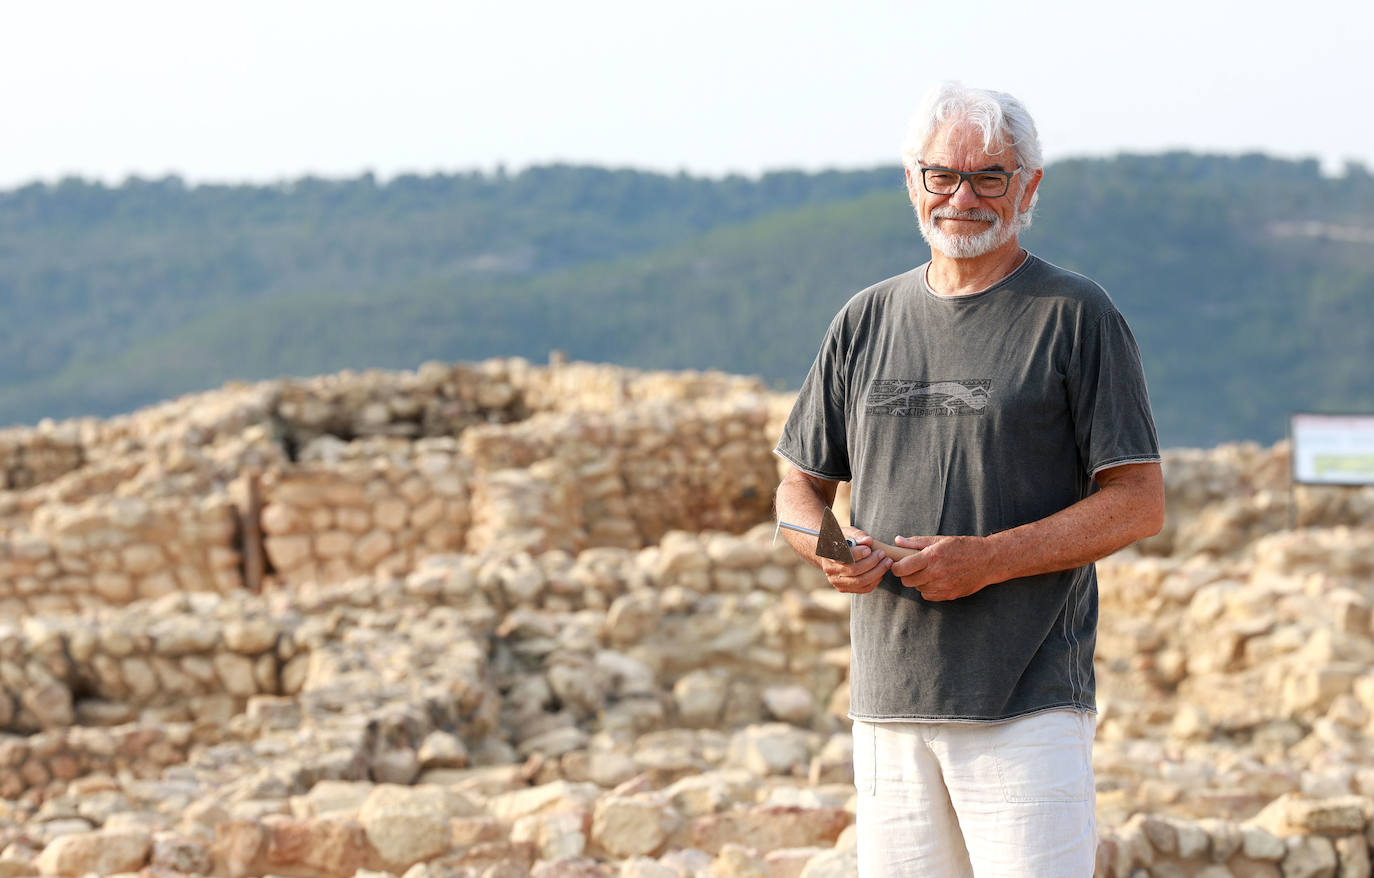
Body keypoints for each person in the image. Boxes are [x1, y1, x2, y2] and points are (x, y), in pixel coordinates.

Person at [773, 81, 1165, 877]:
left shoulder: (1076, 315)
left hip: (1025, 702)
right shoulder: (865, 318)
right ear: (911, 181)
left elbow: (1137, 503)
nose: (963, 197)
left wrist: (988, 559)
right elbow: (795, 489)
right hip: (887, 705)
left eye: (990, 176)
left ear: (1030, 185)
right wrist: (830, 547)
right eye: (942, 175)